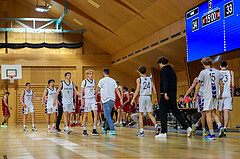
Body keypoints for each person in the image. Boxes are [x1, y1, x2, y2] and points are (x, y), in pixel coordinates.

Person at [157, 57, 193, 138]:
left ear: (161, 63)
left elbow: (165, 81)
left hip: (165, 94)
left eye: (159, 64)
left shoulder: (163, 70)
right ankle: (188, 128)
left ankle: (163, 133)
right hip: (173, 94)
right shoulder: (172, 71)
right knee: (176, 112)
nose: (159, 66)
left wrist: (165, 93)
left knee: (163, 113)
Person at [193, 57, 224, 140]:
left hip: (207, 95)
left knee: (208, 114)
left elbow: (198, 86)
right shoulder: (218, 71)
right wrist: (220, 94)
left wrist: (195, 96)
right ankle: (220, 127)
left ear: (203, 64)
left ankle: (211, 134)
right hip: (215, 95)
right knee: (213, 113)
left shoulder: (203, 72)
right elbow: (222, 85)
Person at [131, 66, 160, 137]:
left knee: (140, 114)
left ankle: (141, 131)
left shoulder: (139, 79)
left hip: (142, 97)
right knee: (149, 113)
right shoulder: (150, 79)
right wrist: (156, 98)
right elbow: (154, 90)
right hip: (149, 97)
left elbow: (137, 90)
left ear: (139, 72)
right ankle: (156, 126)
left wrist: (133, 98)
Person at [95, 68, 123, 135]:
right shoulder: (113, 81)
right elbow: (117, 90)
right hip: (112, 100)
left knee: (107, 116)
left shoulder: (102, 80)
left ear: (103, 73)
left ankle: (112, 129)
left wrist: (93, 93)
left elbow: (97, 89)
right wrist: (121, 98)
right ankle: (105, 128)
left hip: (106, 100)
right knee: (108, 115)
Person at [184, 71, 207, 136]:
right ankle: (204, 130)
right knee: (204, 115)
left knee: (207, 115)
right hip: (201, 98)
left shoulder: (208, 78)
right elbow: (191, 87)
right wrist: (185, 96)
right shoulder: (197, 79)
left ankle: (196, 126)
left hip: (207, 97)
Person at [80, 69, 99, 136]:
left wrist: (95, 96)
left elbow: (94, 90)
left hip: (93, 99)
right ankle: (84, 130)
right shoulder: (84, 81)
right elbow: (81, 91)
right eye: (90, 74)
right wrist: (82, 100)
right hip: (87, 99)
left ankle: (94, 129)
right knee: (86, 115)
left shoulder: (94, 81)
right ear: (87, 75)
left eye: (92, 74)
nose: (91, 75)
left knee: (96, 114)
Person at [218, 61, 234, 136]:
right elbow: (233, 85)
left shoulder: (218, 72)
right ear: (227, 66)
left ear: (220, 66)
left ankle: (220, 128)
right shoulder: (231, 72)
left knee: (220, 112)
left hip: (220, 94)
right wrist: (232, 95)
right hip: (228, 93)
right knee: (226, 111)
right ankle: (224, 128)